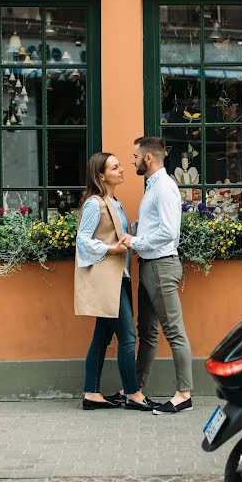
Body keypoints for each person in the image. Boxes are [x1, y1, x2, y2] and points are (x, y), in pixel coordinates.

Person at [75, 152, 159, 412]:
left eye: (121, 165)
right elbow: (82, 240)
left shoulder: (114, 202)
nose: (122, 169)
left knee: (101, 337)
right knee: (128, 336)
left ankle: (91, 393)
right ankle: (133, 394)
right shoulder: (95, 203)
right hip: (107, 277)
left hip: (118, 276)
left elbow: (119, 233)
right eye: (115, 167)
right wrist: (111, 249)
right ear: (101, 175)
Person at [119, 136, 194, 415]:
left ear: (148, 158)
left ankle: (184, 394)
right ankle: (135, 389)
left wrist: (135, 242)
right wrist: (137, 230)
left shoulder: (164, 188)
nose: (132, 160)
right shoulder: (152, 187)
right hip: (150, 265)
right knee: (147, 332)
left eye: (135, 156)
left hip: (161, 265)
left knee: (174, 331)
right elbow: (155, 226)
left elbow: (168, 232)